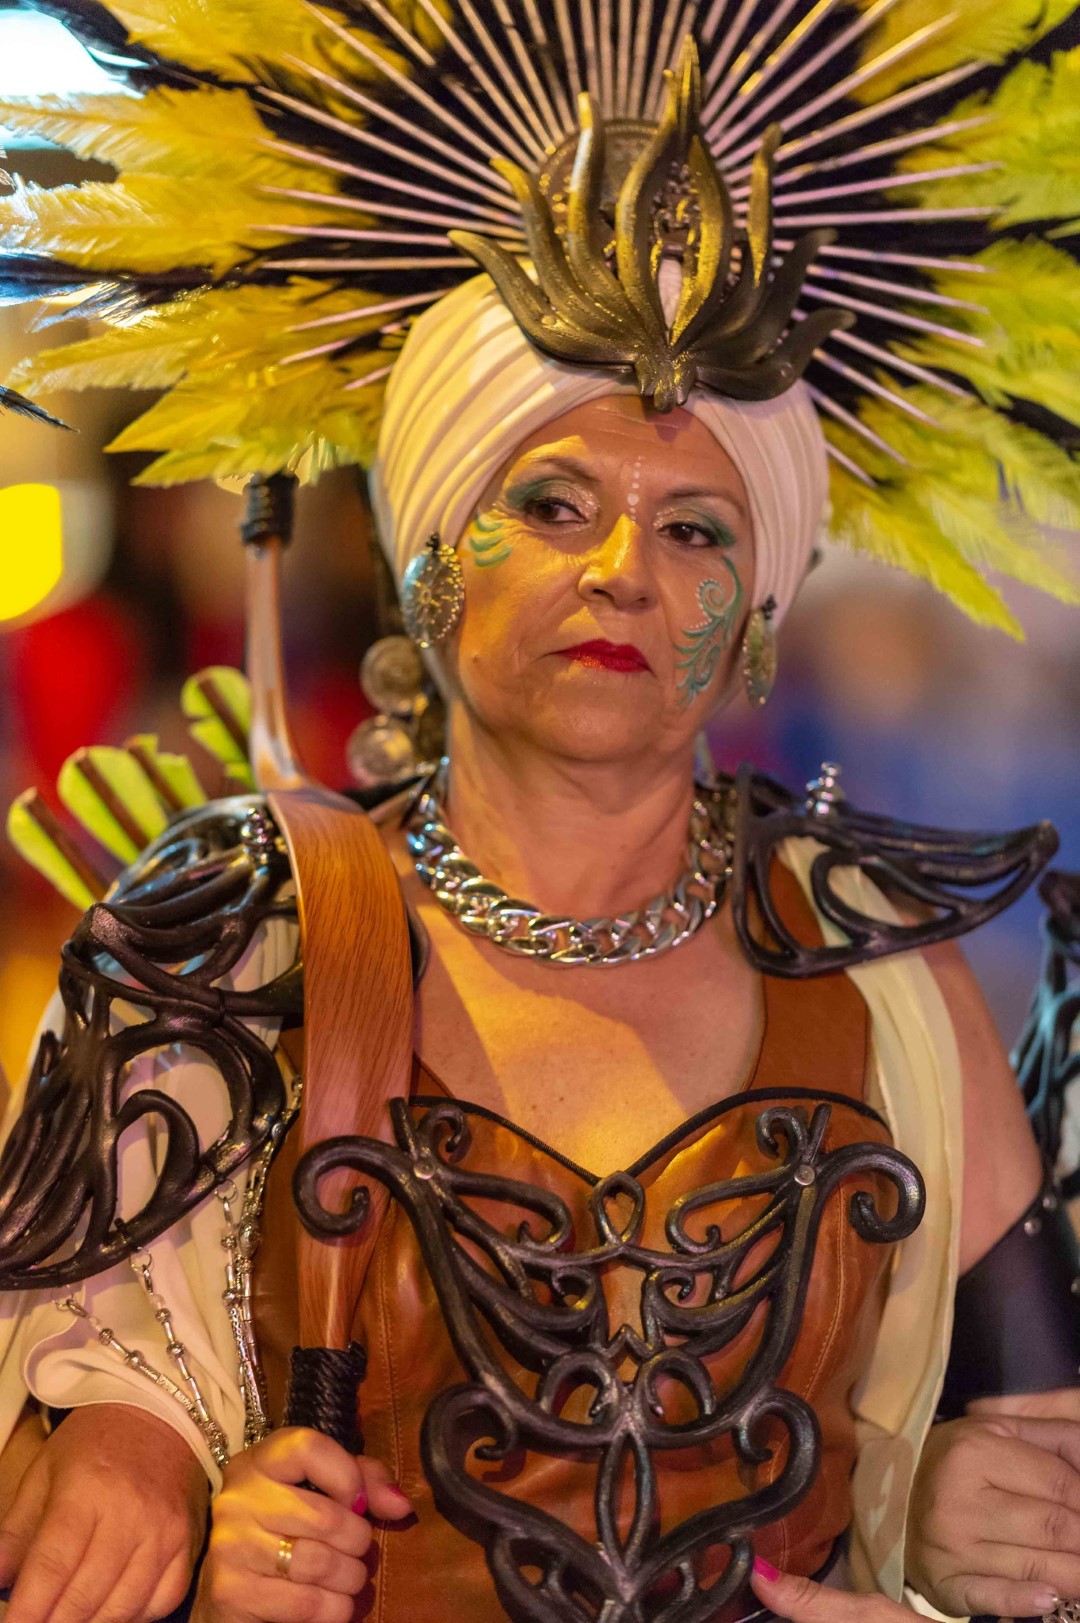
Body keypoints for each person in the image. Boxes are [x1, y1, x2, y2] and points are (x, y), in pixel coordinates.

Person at [0, 5, 1079, 1623]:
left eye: (697, 530)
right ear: (431, 559)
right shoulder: (225, 940)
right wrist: (181, 1518)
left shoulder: (885, 980)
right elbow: (71, 1454)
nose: (623, 571)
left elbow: (1040, 1479)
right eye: (554, 504)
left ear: (757, 617)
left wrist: (954, 1532)